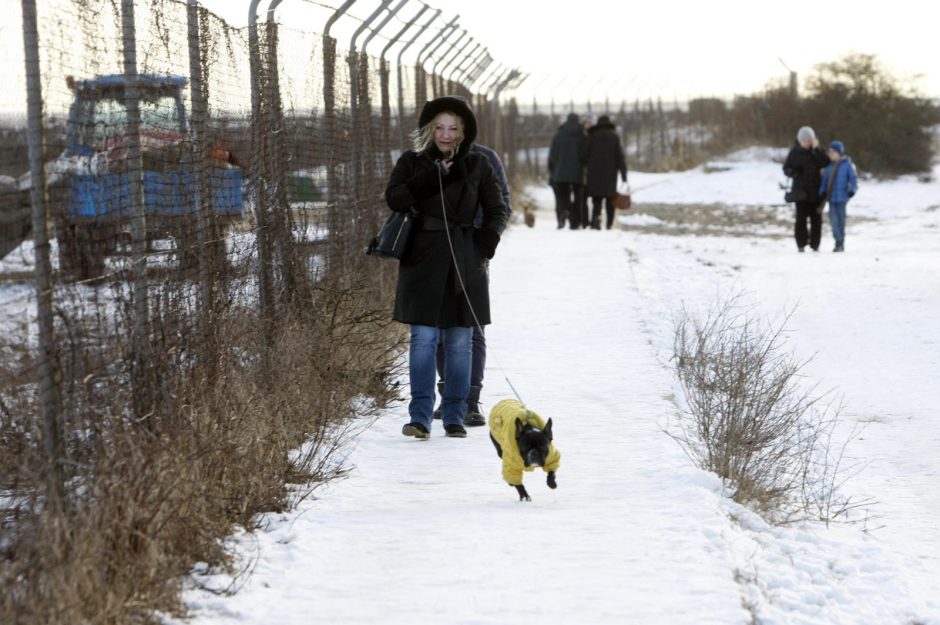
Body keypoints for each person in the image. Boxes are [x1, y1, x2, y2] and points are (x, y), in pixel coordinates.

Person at [385, 95, 508, 439]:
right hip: (422, 259)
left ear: (463, 131)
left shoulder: (479, 164)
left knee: (459, 341)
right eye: (439, 127)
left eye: (453, 128)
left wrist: (482, 247)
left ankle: (455, 413)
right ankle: (419, 417)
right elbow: (394, 198)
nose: (445, 134)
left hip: (465, 259)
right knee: (423, 340)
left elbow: (497, 210)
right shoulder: (412, 162)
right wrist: (432, 175)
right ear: (428, 128)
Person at [432, 141, 512, 427]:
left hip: (472, 251)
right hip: (435, 252)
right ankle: (449, 396)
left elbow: (502, 203)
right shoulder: (427, 158)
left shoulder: (486, 157)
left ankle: (470, 400)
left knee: (472, 325)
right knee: (442, 328)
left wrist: (483, 242)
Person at [783, 126, 829, 252]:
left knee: (816, 219)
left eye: (809, 140)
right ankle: (801, 244)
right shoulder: (794, 153)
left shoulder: (817, 151)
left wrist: (816, 150)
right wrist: (793, 172)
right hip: (800, 192)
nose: (806, 142)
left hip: (816, 192)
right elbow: (786, 168)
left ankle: (815, 244)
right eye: (804, 140)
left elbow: (825, 163)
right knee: (800, 219)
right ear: (799, 140)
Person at [582, 115, 627, 230]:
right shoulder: (614, 137)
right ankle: (609, 224)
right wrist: (623, 176)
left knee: (596, 200)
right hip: (610, 174)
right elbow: (620, 157)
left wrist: (587, 167)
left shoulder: (591, 136)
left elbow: (584, 156)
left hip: (594, 174)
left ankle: (596, 221)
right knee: (610, 200)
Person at [548, 113, 587, 229]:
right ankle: (575, 223)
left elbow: (552, 156)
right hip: (577, 173)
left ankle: (562, 214)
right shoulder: (582, 135)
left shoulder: (558, 135)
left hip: (560, 173)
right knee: (578, 198)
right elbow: (585, 155)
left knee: (562, 197)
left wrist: (553, 170)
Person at [819, 140, 858, 252]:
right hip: (831, 199)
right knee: (834, 221)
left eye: (833, 152)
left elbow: (853, 179)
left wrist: (852, 190)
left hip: (842, 198)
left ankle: (841, 242)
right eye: (830, 152)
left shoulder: (847, 165)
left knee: (841, 221)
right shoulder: (829, 168)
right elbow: (824, 183)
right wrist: (822, 192)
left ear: (839, 153)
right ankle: (837, 240)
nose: (831, 154)